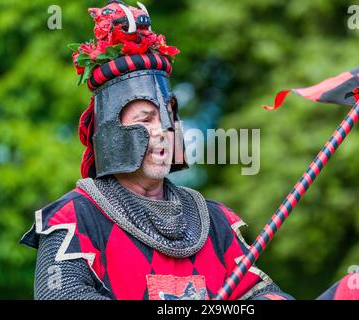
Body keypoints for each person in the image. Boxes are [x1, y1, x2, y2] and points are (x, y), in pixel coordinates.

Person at [19, 0, 293, 300]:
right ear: (113, 132)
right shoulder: (75, 218)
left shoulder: (216, 222)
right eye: (145, 120)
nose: (162, 130)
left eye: (167, 117)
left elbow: (263, 294)